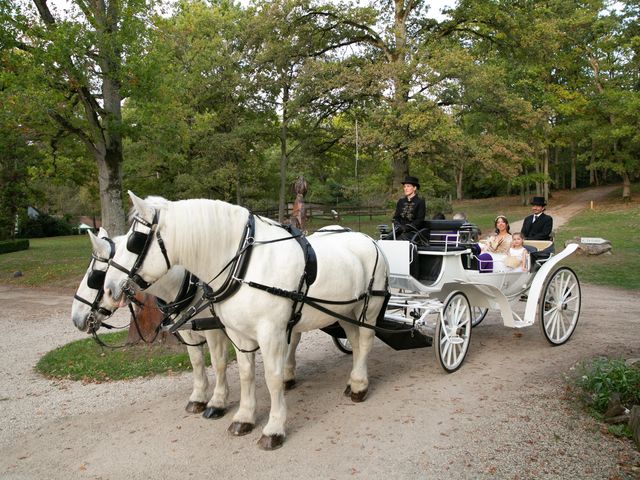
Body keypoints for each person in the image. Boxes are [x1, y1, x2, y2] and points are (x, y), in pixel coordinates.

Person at [392, 175, 426, 240]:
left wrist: (406, 228)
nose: (405, 188)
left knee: (400, 239)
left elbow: (419, 220)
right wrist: (397, 225)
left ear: (414, 188)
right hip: (399, 230)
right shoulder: (401, 201)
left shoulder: (420, 202)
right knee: (385, 239)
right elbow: (396, 217)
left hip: (414, 232)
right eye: (404, 186)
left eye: (408, 186)